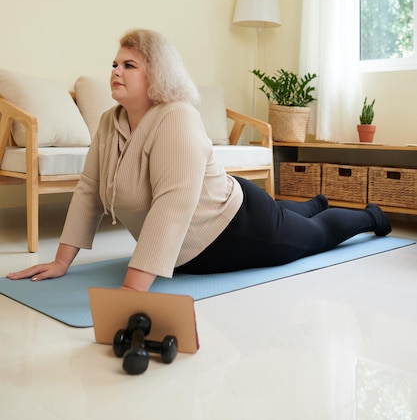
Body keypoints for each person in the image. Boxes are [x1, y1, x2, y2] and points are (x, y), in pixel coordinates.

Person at [7, 28, 391, 290]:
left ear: (155, 75)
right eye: (114, 64)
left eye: (129, 65)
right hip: (184, 249)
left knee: (315, 237)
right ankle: (311, 205)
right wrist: (60, 262)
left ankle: (370, 216)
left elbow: (173, 204)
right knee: (296, 217)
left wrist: (132, 286)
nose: (115, 72)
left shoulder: (176, 115)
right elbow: (89, 192)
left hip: (232, 224)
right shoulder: (109, 122)